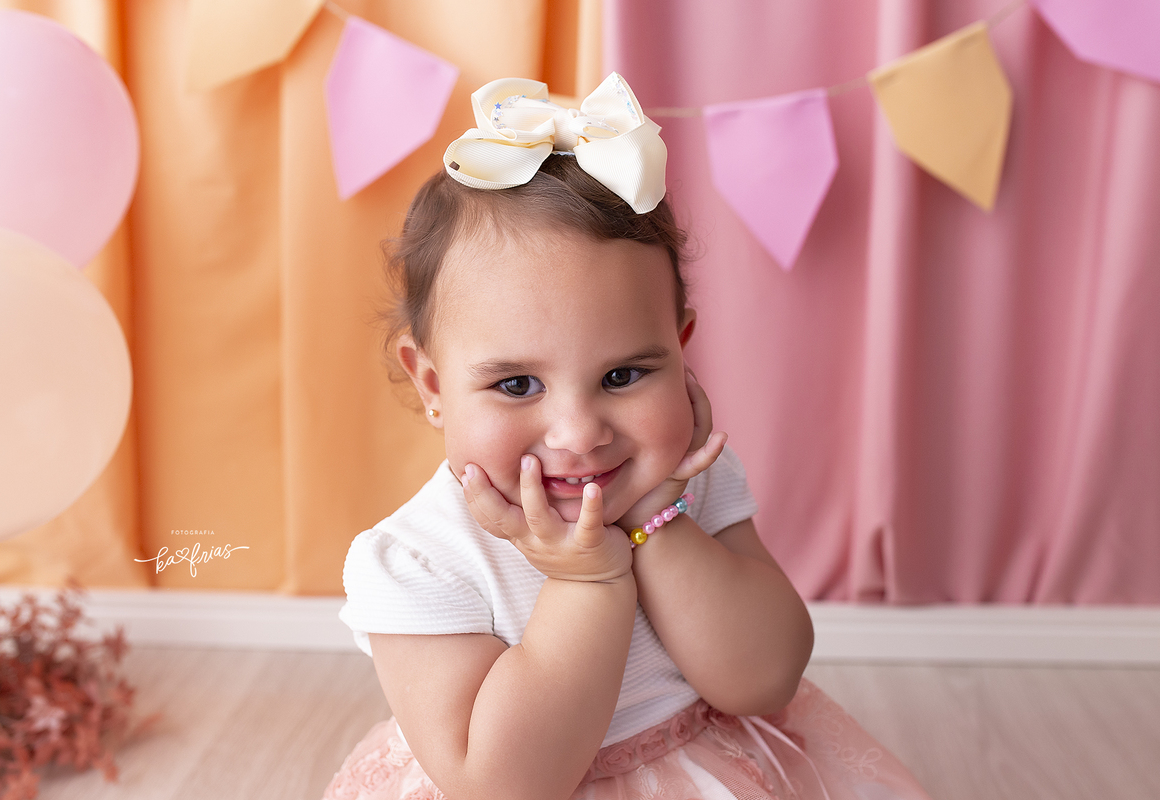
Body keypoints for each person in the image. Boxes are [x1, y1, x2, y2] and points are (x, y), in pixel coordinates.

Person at [324, 74, 933, 800]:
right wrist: (589, 579)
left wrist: (655, 522)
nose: (580, 436)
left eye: (622, 377)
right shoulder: (422, 560)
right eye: (517, 385)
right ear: (431, 385)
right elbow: (505, 782)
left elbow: (764, 678)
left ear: (681, 352)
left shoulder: (685, 483)